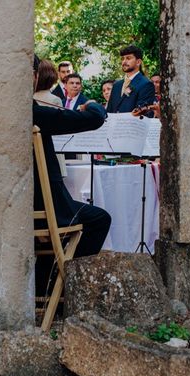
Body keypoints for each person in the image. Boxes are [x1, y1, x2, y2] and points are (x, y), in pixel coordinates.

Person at [33, 55, 111, 259]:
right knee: (100, 219)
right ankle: (68, 276)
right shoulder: (36, 113)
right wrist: (92, 104)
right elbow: (94, 119)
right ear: (33, 77)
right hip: (49, 209)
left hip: (29, 205)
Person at [106, 45, 156, 115]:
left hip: (134, 125)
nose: (124, 62)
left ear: (138, 62)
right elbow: (109, 112)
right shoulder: (116, 85)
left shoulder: (146, 84)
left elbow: (145, 114)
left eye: (128, 58)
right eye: (122, 59)